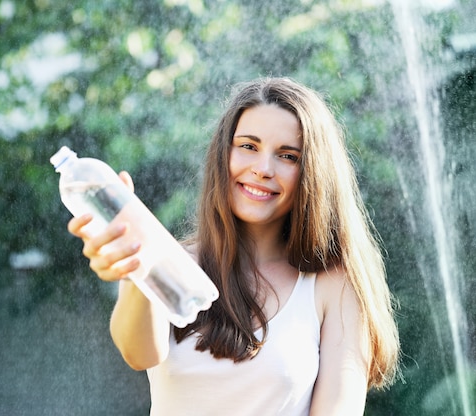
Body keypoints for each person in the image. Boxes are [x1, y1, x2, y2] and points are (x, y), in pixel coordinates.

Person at [67, 77, 400, 415]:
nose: (263, 169)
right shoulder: (170, 262)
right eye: (248, 146)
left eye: (287, 155)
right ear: (223, 154)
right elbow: (139, 354)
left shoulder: (334, 285)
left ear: (313, 172)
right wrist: (135, 260)